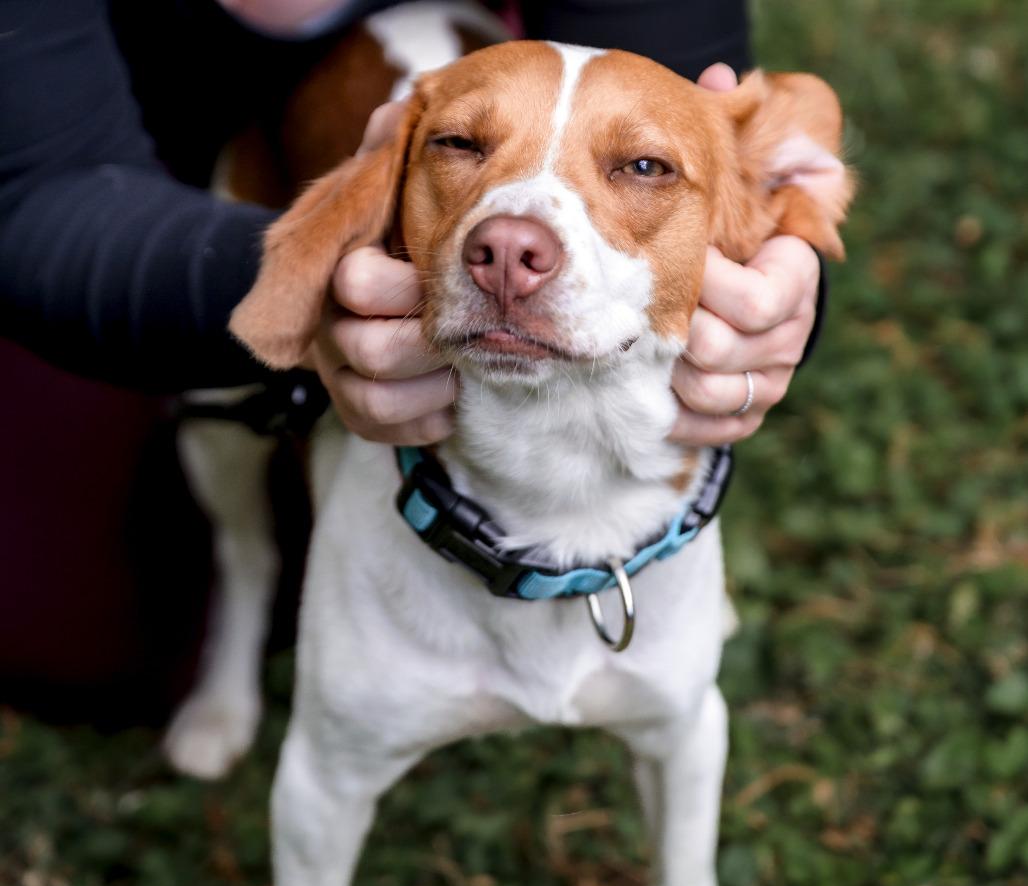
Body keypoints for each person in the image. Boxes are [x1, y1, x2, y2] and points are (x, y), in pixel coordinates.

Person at [0, 0, 821, 700]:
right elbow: (35, 197)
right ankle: (248, 567)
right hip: (139, 186)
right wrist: (317, 291)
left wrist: (781, 296)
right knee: (76, 635)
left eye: (639, 164)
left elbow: (702, 157)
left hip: (450, 158)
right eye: (464, 142)